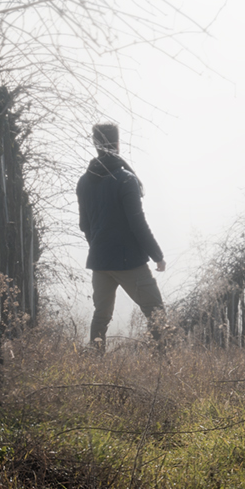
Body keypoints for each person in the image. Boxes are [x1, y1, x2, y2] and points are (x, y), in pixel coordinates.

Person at [77, 121, 166, 348]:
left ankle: (96, 362)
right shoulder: (126, 179)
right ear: (117, 143)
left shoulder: (84, 181)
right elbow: (137, 223)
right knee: (156, 312)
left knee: (101, 316)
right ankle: (160, 364)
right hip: (128, 261)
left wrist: (98, 246)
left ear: (95, 144)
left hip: (99, 260)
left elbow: (84, 225)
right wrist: (157, 254)